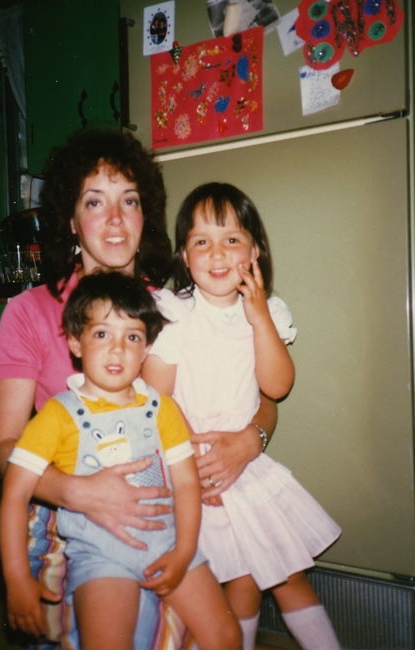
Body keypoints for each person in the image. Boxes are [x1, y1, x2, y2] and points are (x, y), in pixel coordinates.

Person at [0, 129, 275, 649]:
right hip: (70, 517)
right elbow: (3, 447)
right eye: (95, 202)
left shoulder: (179, 308)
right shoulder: (28, 312)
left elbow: (259, 396)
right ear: (73, 221)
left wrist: (250, 439)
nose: (116, 219)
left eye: (130, 202)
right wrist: (75, 491)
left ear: (146, 219)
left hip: (175, 509)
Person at [142, 182, 343, 650]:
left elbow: (277, 386)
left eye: (231, 239)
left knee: (282, 573)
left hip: (246, 466)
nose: (216, 253)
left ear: (255, 250)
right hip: (193, 467)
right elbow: (156, 398)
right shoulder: (172, 312)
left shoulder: (268, 310)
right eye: (201, 241)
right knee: (239, 578)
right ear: (183, 255)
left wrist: (259, 319)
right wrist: (192, 456)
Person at [0, 270, 242, 650]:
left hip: (168, 544)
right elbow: (15, 493)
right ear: (76, 343)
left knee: (226, 635)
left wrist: (183, 552)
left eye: (132, 337)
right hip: (100, 558)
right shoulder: (58, 415)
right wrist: (16, 578)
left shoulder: (161, 409)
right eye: (102, 334)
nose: (118, 350)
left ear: (146, 350)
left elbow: (186, 482)